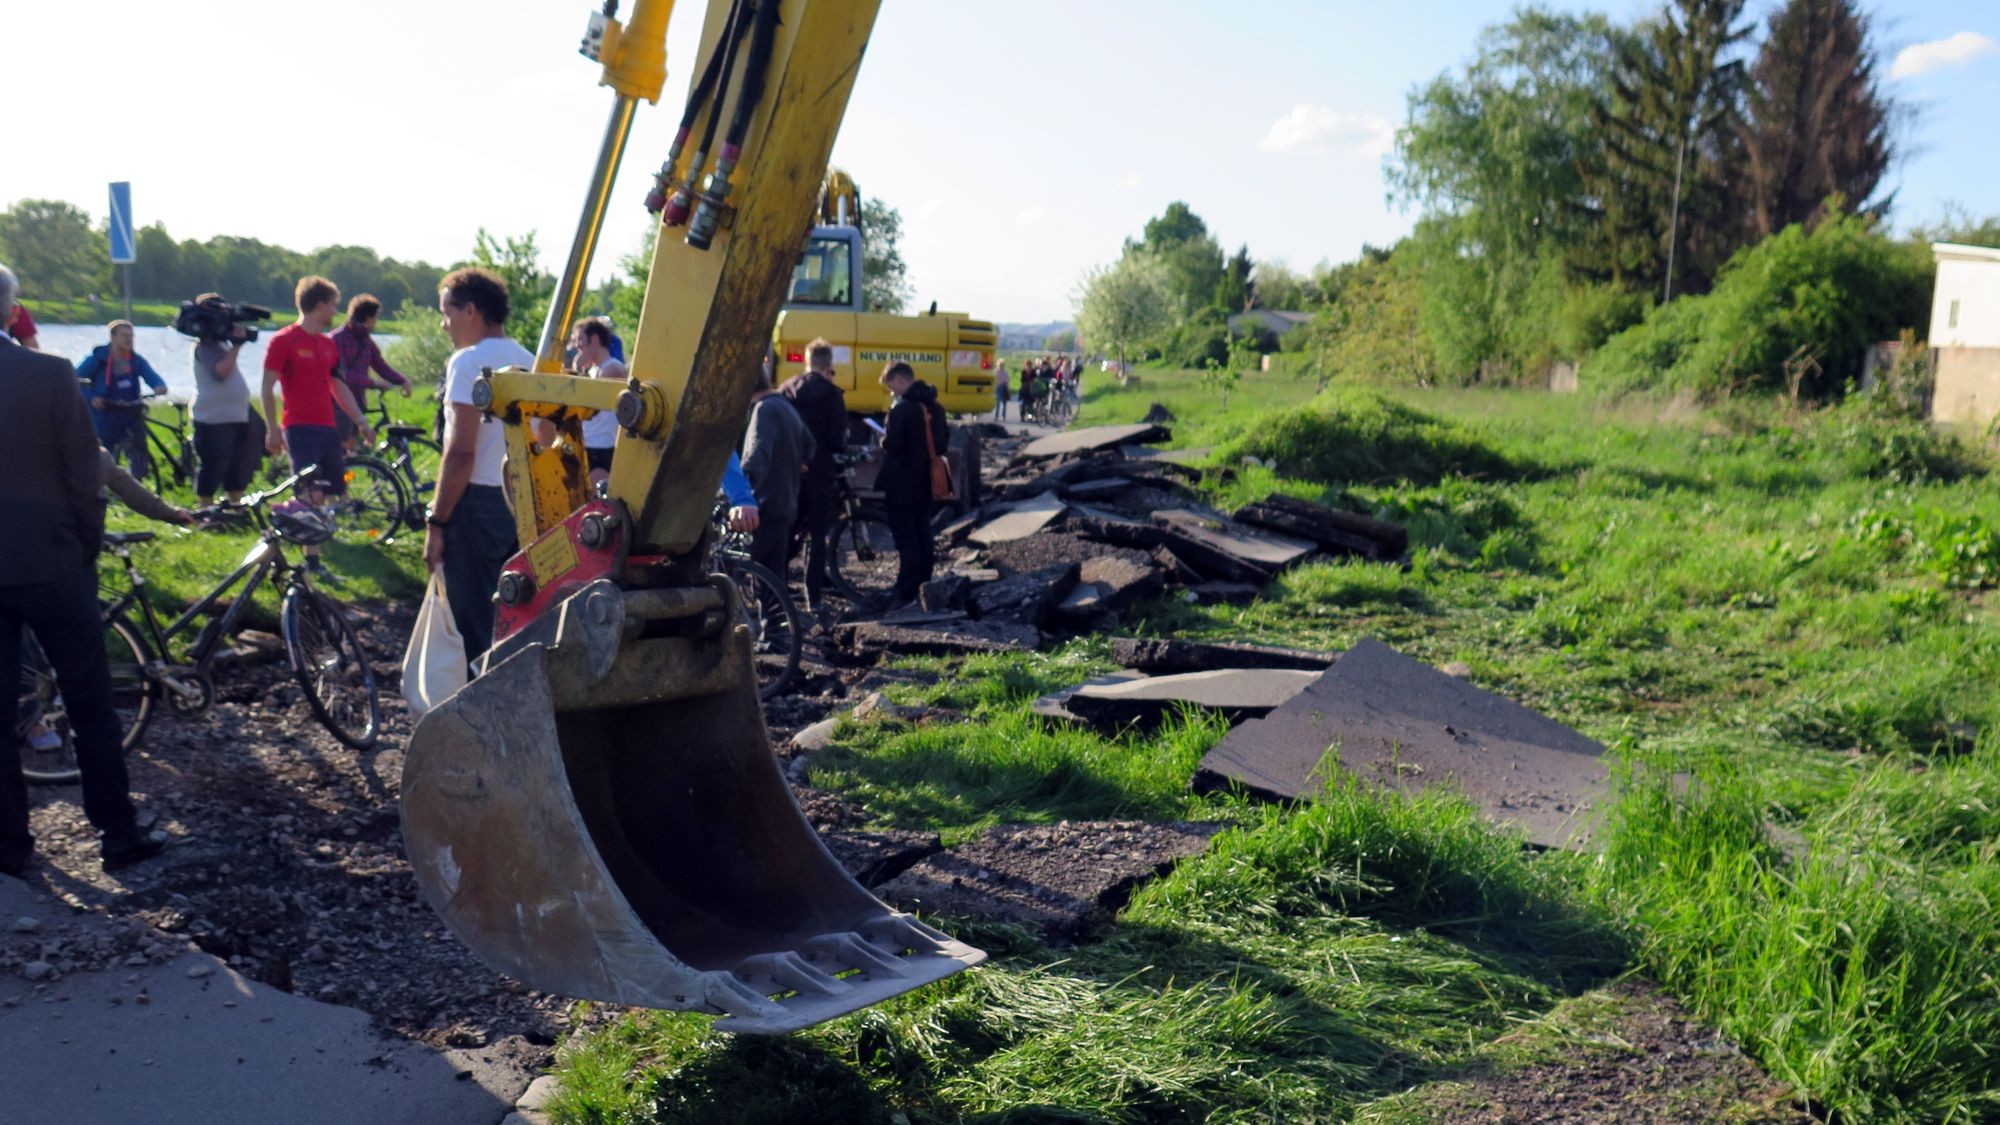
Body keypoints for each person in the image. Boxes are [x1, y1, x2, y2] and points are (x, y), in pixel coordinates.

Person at [0, 263, 164, 876]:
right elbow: (82, 474)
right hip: (52, 561)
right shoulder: (47, 372)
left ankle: (10, 847)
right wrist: (84, 545)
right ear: (12, 310)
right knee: (90, 701)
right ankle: (117, 835)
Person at [425, 268, 533, 664]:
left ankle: (482, 713)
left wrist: (437, 521)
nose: (444, 324)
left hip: (477, 505)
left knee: (474, 627)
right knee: (517, 618)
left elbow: (460, 452)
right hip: (522, 504)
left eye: (447, 313)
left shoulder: (467, 361)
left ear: (471, 310)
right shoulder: (531, 360)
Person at [262, 277, 374, 580]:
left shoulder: (327, 344)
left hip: (328, 427)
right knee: (308, 490)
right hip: (298, 427)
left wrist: (361, 422)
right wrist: (272, 428)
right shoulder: (284, 340)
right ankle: (309, 563)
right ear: (320, 304)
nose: (336, 311)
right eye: (333, 305)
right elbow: (267, 385)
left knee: (330, 489)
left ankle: (304, 540)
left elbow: (339, 385)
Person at [873, 361, 948, 611]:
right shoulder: (935, 406)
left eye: (891, 386)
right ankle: (923, 584)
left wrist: (882, 439)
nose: (891, 392)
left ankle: (905, 589)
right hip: (927, 480)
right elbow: (943, 442)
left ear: (901, 380)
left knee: (906, 536)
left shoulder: (902, 409)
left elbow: (893, 445)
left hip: (902, 481)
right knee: (923, 531)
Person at [779, 337, 847, 611]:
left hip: (790, 472)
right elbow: (836, 438)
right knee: (817, 535)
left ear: (807, 361)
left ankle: (778, 589)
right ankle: (813, 597)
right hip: (820, 472)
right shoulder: (833, 395)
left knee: (786, 530)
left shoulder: (785, 391)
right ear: (828, 364)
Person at [740, 350, 813, 584]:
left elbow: (756, 459)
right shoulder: (784, 406)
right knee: (772, 578)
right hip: (787, 502)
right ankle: (774, 620)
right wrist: (797, 462)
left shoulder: (764, 410)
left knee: (739, 570)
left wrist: (739, 490)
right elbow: (810, 445)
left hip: (766, 505)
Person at [188, 295, 259, 506]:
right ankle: (206, 509)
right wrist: (237, 346)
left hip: (234, 415)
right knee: (214, 463)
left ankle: (235, 505)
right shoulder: (203, 347)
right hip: (213, 418)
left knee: (237, 463)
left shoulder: (220, 345)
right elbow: (221, 372)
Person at [76, 320, 169, 458]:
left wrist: (159, 386)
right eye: (125, 336)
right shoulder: (97, 359)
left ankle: (136, 477)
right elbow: (74, 380)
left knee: (139, 455)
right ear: (112, 337)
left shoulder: (136, 360)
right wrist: (91, 397)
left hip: (131, 413)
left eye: (131, 336)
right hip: (105, 416)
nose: (129, 340)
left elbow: (152, 377)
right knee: (105, 458)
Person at [331, 294, 412, 451]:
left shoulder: (366, 342)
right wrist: (373, 383)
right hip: (338, 404)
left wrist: (402, 380)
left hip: (358, 402)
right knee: (343, 449)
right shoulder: (337, 339)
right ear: (368, 319)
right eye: (376, 318)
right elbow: (341, 375)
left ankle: (351, 472)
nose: (376, 323)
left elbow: (381, 366)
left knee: (351, 448)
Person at [569, 317, 627, 488]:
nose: (577, 346)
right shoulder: (595, 370)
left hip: (602, 447)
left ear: (594, 339)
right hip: (589, 443)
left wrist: (577, 373)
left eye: (580, 339)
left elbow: (588, 404)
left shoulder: (612, 369)